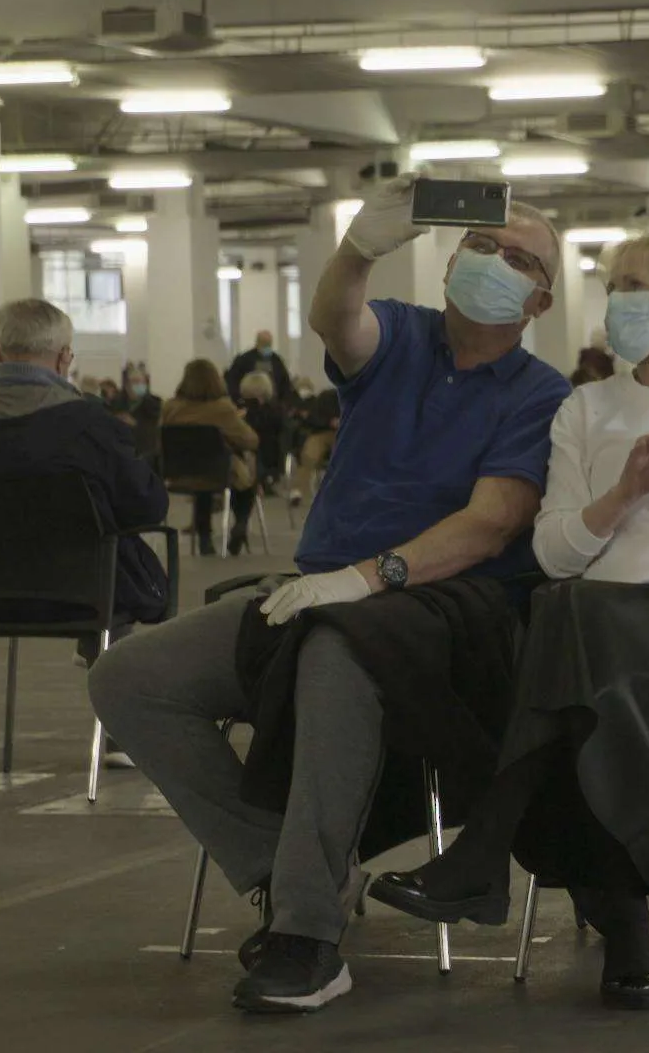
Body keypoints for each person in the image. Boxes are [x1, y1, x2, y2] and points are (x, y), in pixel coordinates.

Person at [89, 175, 571, 1015]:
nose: (495, 262)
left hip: (441, 611)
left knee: (333, 653)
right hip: (316, 590)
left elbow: (490, 525)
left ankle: (307, 935)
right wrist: (357, 248)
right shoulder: (403, 337)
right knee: (129, 678)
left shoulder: (540, 395)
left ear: (540, 303)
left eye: (520, 260)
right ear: (451, 260)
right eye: (482, 245)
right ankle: (286, 869)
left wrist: (365, 578)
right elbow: (338, 321)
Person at [367, 232, 649, 1012]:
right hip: (598, 627)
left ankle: (485, 855)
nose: (616, 303)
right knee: (576, 644)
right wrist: (624, 494)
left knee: (564, 627)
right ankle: (623, 934)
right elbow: (553, 549)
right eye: (613, 287)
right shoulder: (586, 406)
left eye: (633, 285)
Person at [0, 298, 168, 692]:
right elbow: (148, 506)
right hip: (81, 595)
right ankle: (119, 703)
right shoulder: (91, 425)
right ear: (65, 357)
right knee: (113, 542)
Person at [162, 360, 262, 556]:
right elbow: (251, 441)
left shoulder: (170, 408)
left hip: (177, 474)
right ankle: (240, 524)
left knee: (202, 481)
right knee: (245, 478)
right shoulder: (222, 409)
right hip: (217, 473)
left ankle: (205, 539)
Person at [287, 385, 340, 508]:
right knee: (309, 456)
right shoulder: (326, 397)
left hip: (345, 432)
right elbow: (312, 418)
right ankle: (298, 490)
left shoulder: (358, 397)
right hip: (321, 432)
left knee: (346, 456)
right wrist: (329, 421)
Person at [238, 371, 287, 494]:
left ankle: (257, 481)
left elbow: (268, 426)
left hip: (267, 448)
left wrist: (247, 416)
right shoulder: (244, 407)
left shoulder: (273, 410)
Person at [226, 330, 295, 405]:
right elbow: (232, 381)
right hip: (249, 403)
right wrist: (239, 400)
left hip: (273, 404)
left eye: (268, 344)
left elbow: (285, 383)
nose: (266, 347)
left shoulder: (276, 361)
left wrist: (284, 402)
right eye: (264, 343)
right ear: (257, 343)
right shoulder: (244, 360)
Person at [117, 364, 163, 465]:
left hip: (147, 455)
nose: (139, 385)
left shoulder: (154, 404)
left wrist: (135, 424)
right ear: (127, 385)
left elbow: (155, 430)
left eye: (141, 382)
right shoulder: (118, 403)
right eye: (134, 381)